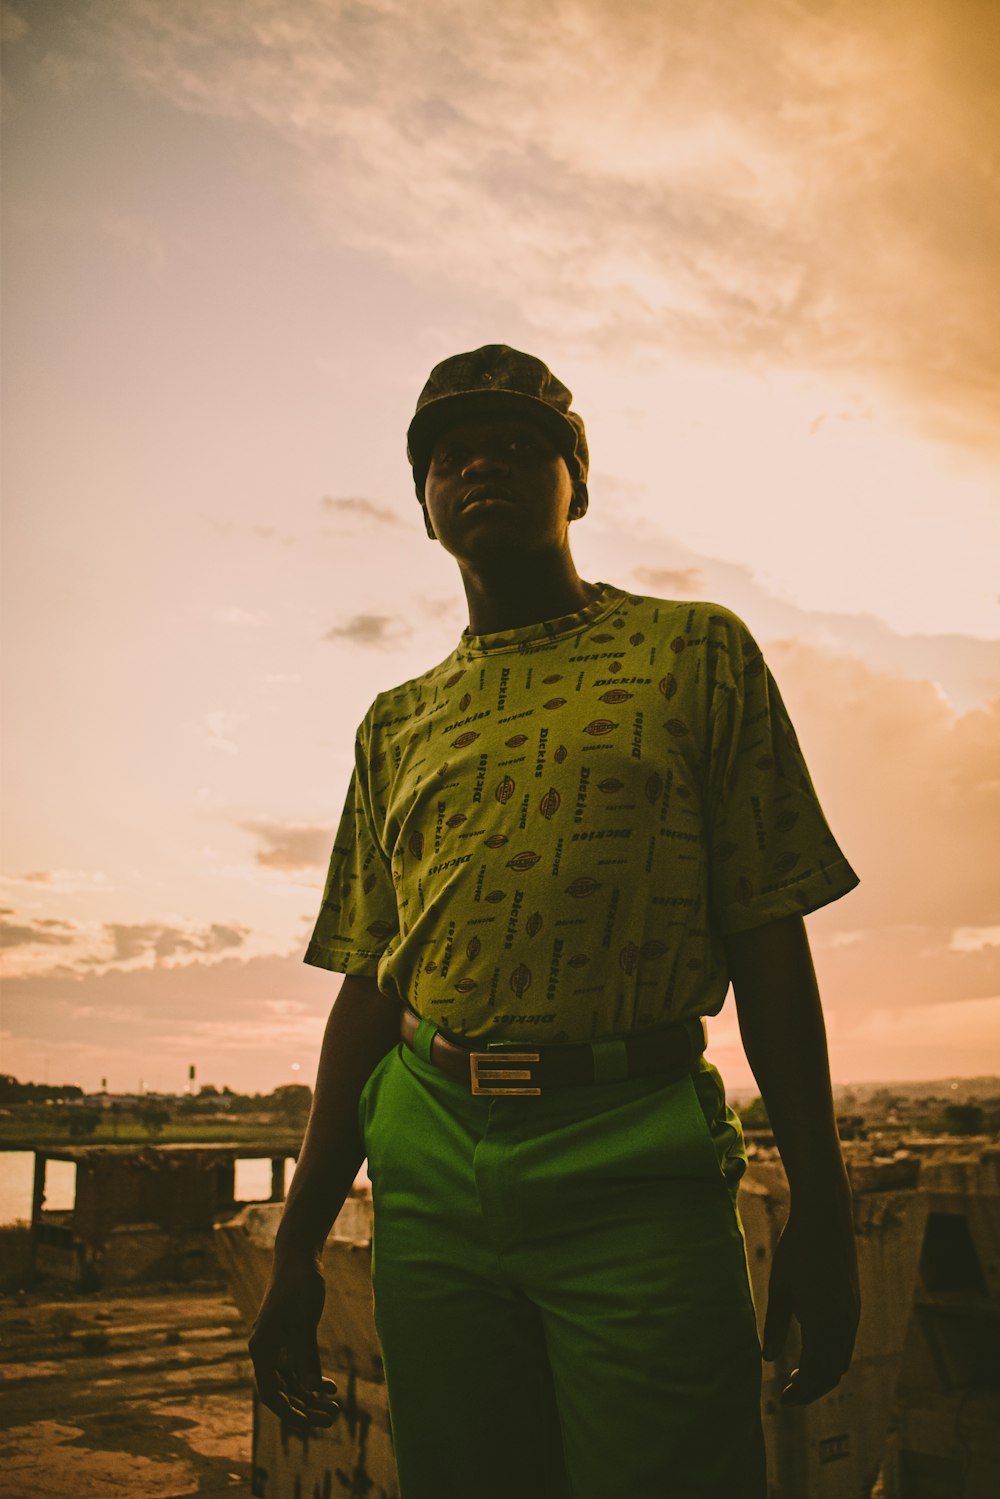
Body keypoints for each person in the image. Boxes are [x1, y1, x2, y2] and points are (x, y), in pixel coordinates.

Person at [249, 344, 862, 1498]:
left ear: (577, 482)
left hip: (631, 1150)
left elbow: (769, 937)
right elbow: (371, 983)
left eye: (522, 445)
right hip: (429, 1159)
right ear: (425, 508)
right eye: (447, 455)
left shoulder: (695, 652)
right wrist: (296, 1245)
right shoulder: (396, 722)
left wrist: (821, 1206)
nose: (479, 464)